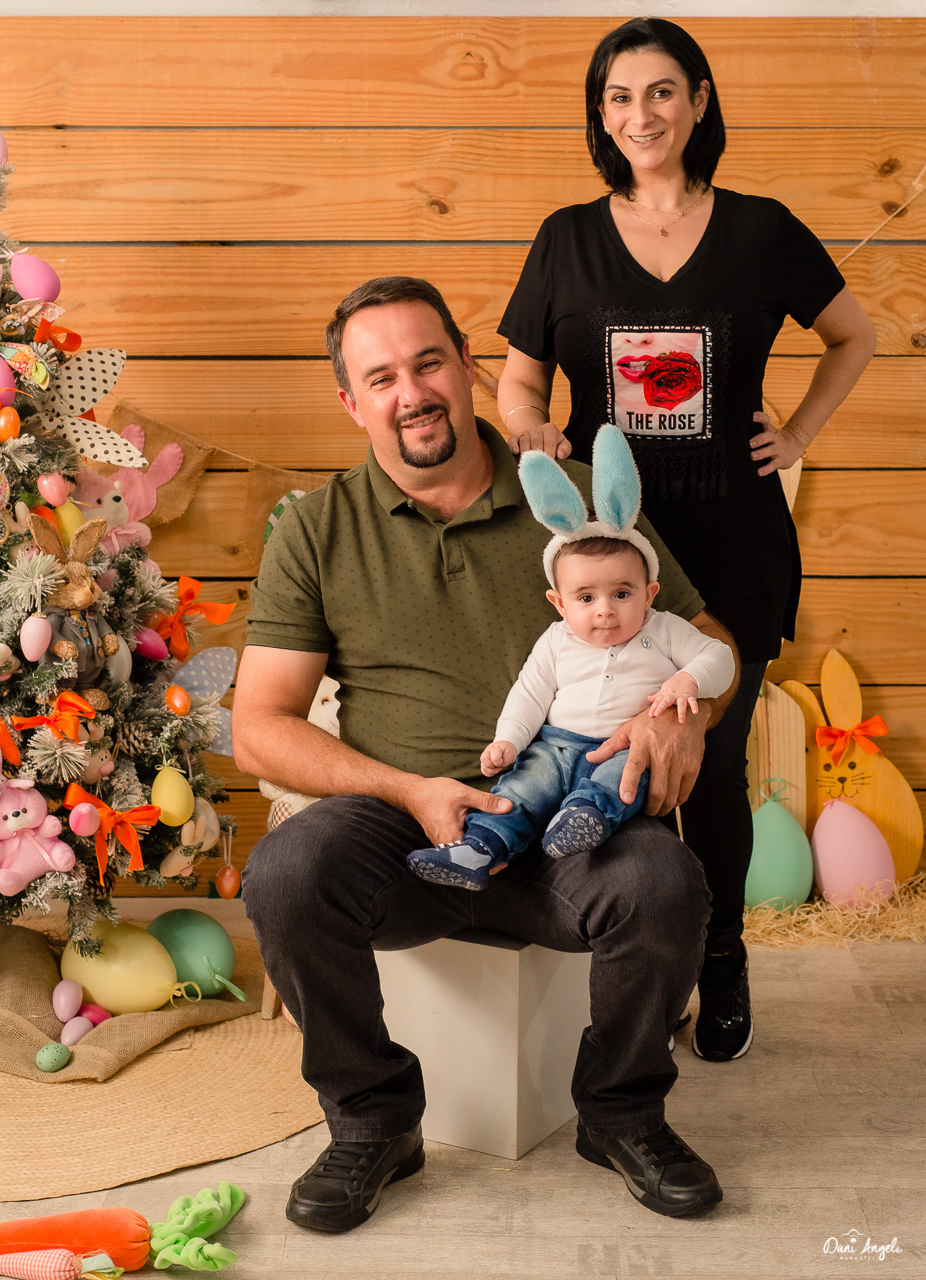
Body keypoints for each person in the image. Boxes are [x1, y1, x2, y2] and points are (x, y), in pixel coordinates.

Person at [235, 275, 740, 1232]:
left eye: (429, 363)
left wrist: (685, 718)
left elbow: (708, 638)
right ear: (350, 402)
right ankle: (374, 1119)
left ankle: (621, 1112)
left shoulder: (577, 501)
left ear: (468, 367)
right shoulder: (317, 526)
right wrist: (408, 791)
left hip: (571, 826)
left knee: (665, 882)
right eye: (381, 378)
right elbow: (260, 724)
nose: (412, 393)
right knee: (288, 872)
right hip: (407, 834)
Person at [496, 17, 876, 1062]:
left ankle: (720, 956)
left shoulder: (760, 230)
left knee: (704, 765)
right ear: (600, 114)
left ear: (699, 101)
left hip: (730, 545)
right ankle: (634, 965)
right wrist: (528, 425)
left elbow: (854, 334)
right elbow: (520, 378)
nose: (641, 115)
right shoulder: (566, 238)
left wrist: (797, 434)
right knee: (594, 757)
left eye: (661, 92)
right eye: (619, 97)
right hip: (605, 559)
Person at [406, 430, 735, 890]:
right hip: (554, 748)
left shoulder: (662, 629)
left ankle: (585, 818)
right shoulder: (557, 641)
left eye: (622, 593)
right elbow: (530, 694)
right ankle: (478, 848)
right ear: (559, 604)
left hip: (624, 746)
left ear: (650, 594)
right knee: (522, 790)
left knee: (623, 780)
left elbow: (720, 656)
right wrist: (509, 740)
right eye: (586, 598)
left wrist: (690, 680)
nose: (605, 610)